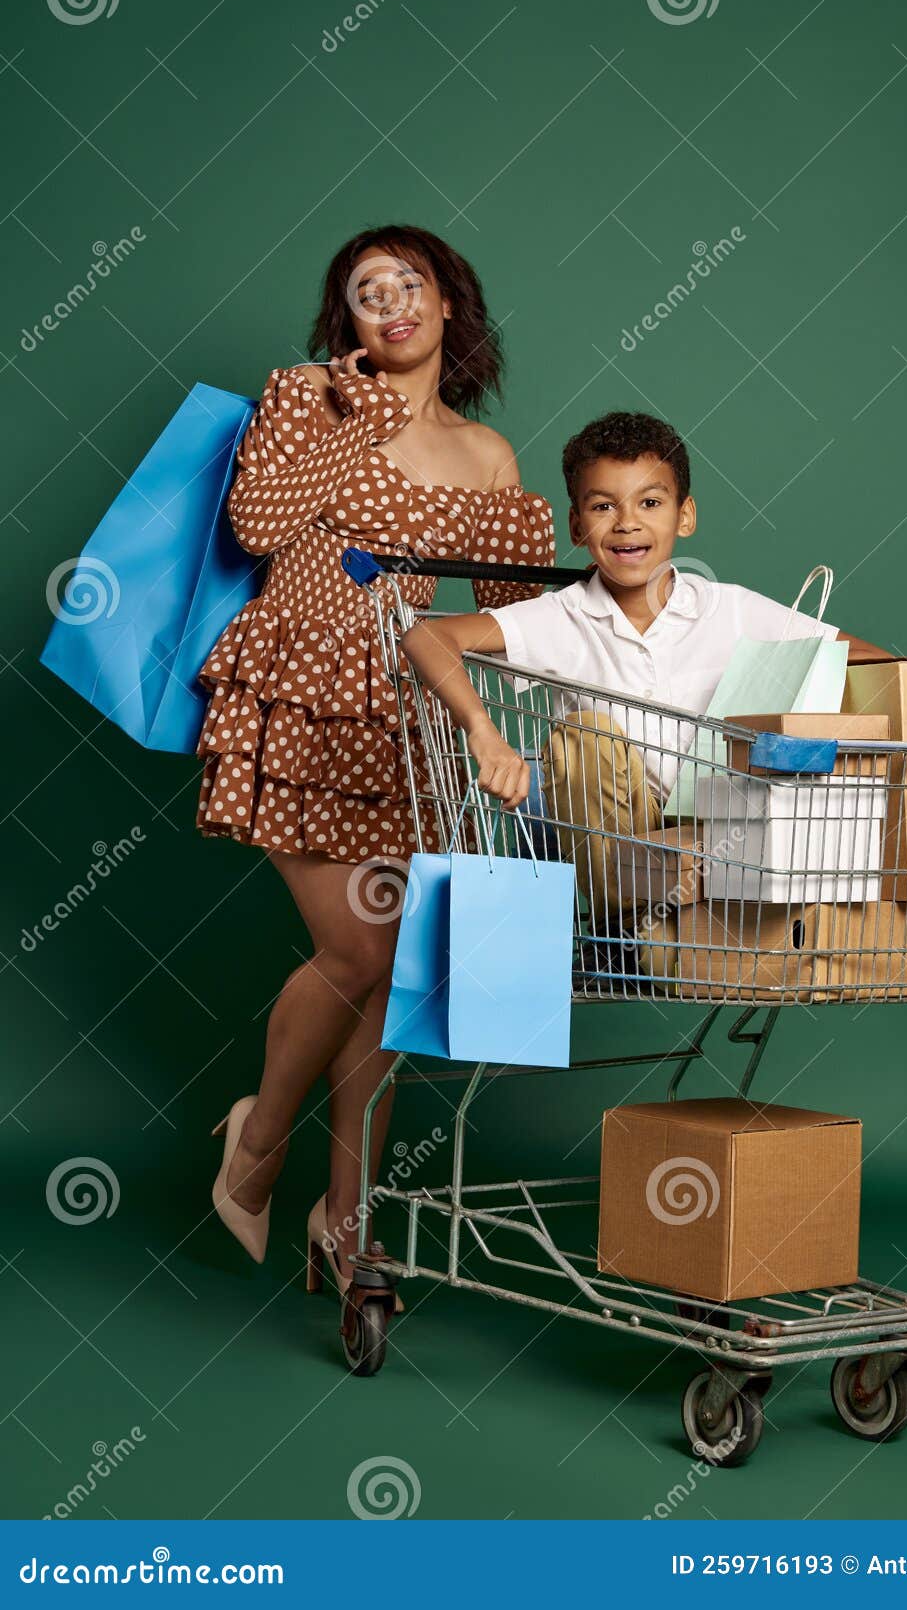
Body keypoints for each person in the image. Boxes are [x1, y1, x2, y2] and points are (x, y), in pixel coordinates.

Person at [200, 225, 554, 1279]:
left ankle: (345, 1221)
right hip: (296, 693)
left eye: (412, 284)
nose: (391, 302)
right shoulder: (308, 397)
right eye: (366, 291)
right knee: (355, 948)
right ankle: (255, 1144)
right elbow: (256, 526)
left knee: (397, 966)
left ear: (451, 303)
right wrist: (355, 422)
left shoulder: (487, 457)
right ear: (344, 319)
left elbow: (519, 619)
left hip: (403, 720)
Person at [402, 409, 886, 923]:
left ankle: (709, 879)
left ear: (685, 515)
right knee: (584, 734)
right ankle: (652, 897)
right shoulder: (559, 618)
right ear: (576, 524)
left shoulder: (731, 609)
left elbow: (871, 658)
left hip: (722, 828)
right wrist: (483, 732)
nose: (627, 522)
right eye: (604, 506)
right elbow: (428, 635)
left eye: (650, 502)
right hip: (620, 855)